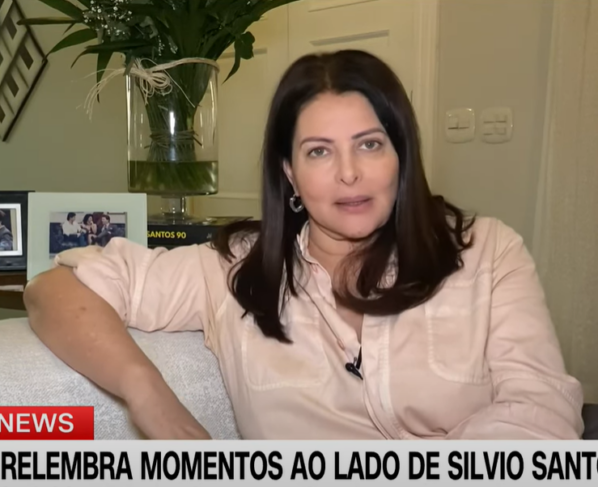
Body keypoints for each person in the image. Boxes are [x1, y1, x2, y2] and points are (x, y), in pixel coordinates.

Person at [24, 50, 584, 440]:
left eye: (370, 144)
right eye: (319, 151)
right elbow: (54, 290)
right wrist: (144, 390)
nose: (348, 173)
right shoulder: (234, 268)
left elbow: (540, 412)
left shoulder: (487, 251)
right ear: (289, 173)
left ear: (402, 155)